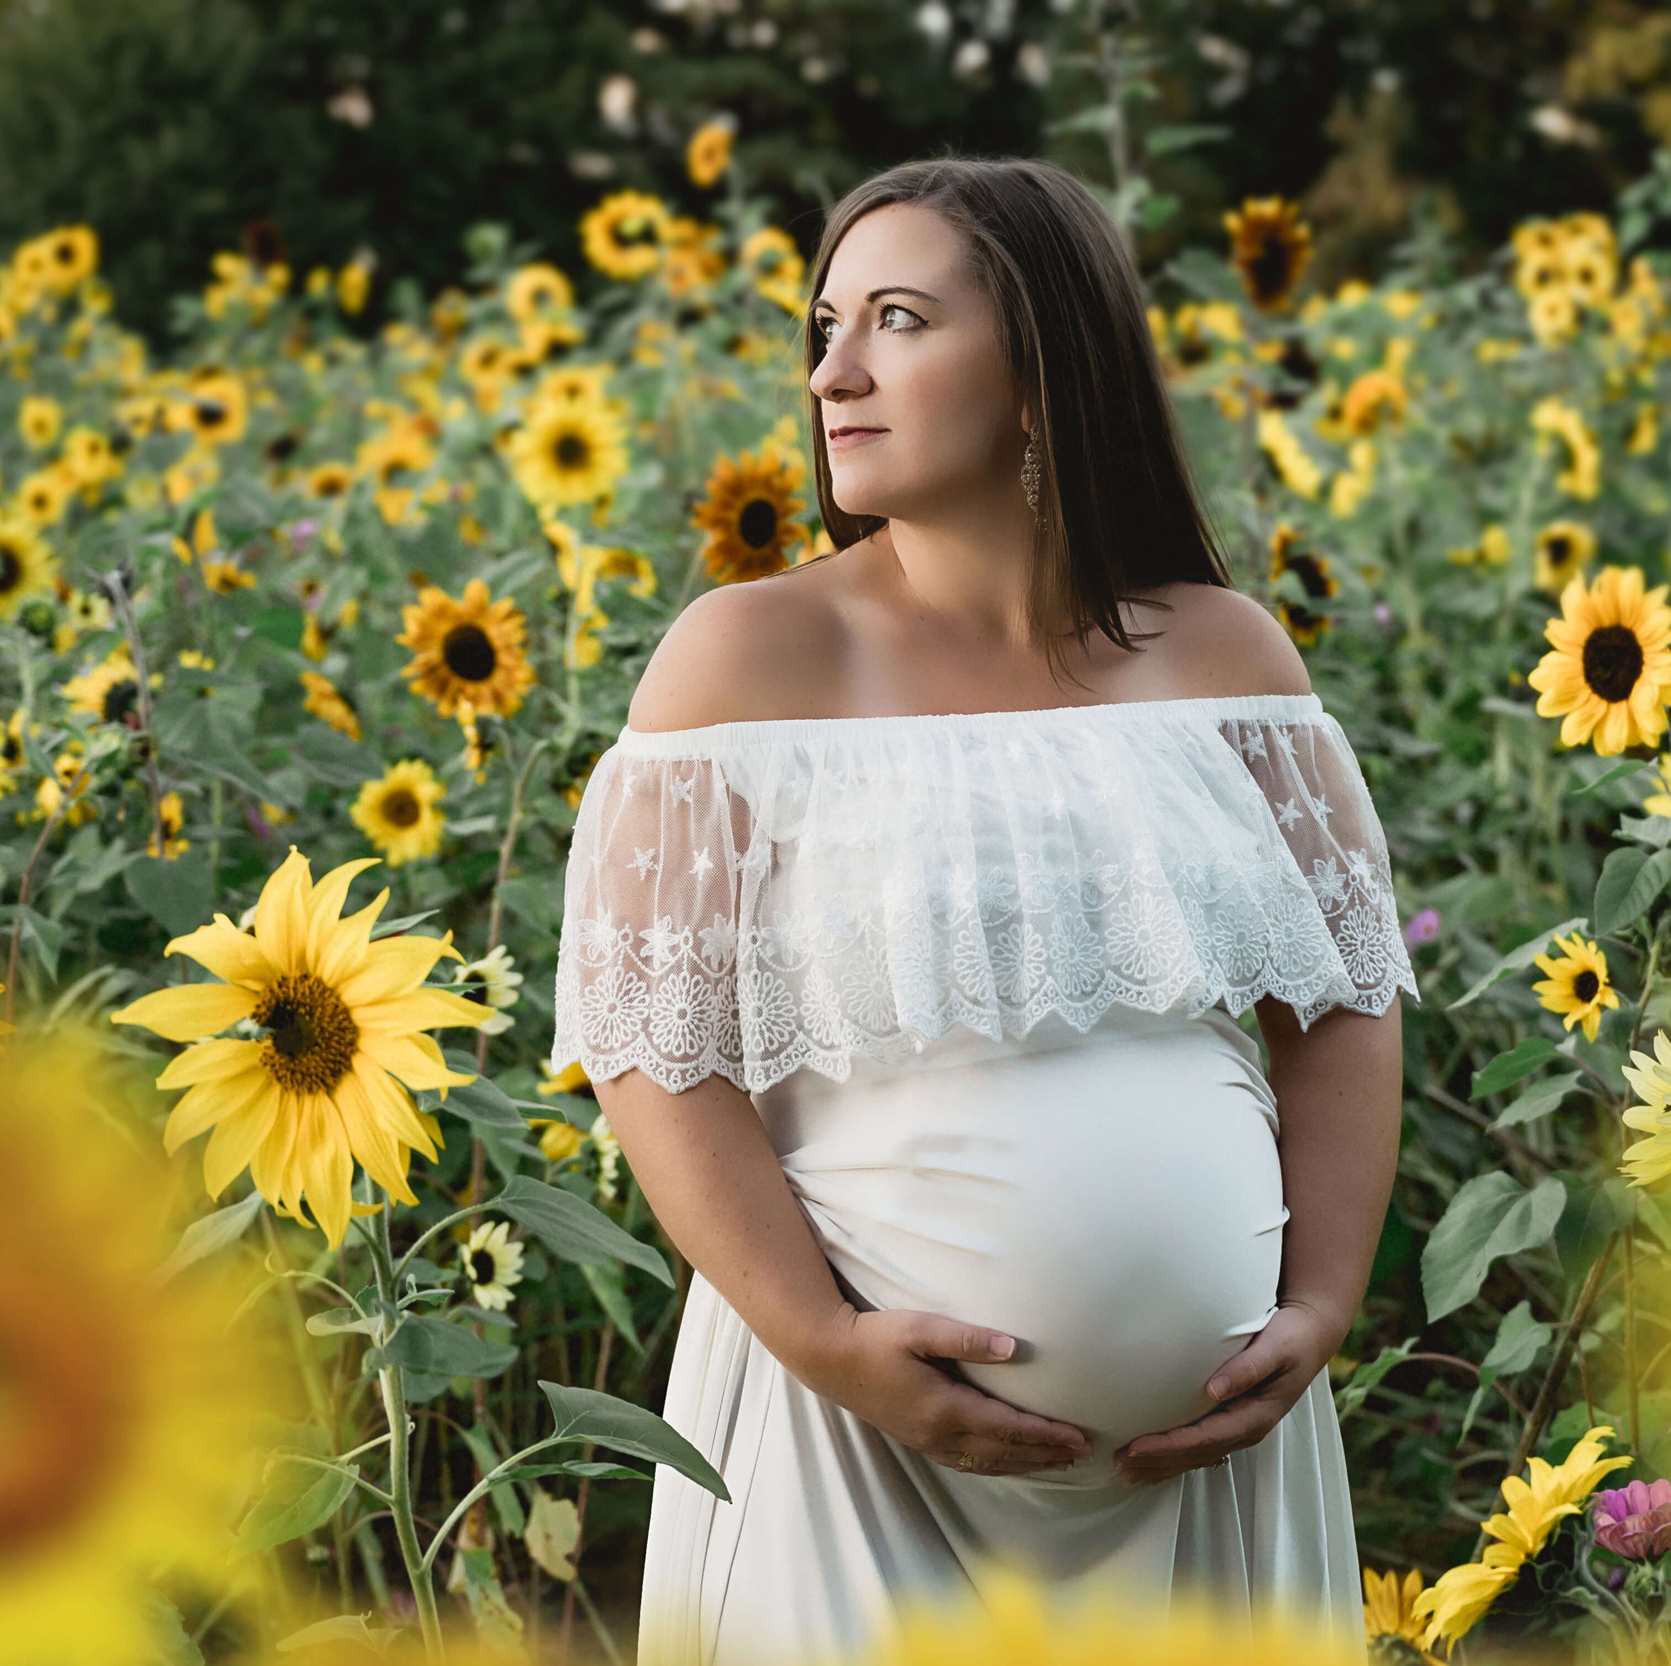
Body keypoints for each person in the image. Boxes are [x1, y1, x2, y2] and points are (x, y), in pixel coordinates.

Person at [545, 157, 1418, 1665]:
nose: (832, 373)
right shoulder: (742, 662)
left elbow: (1344, 995)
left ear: (1041, 376)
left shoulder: (1228, 657)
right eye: (827, 325)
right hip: (858, 1454)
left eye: (896, 319)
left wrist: (1325, 1295)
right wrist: (826, 1347)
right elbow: (648, 1043)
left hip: (1210, 1477)